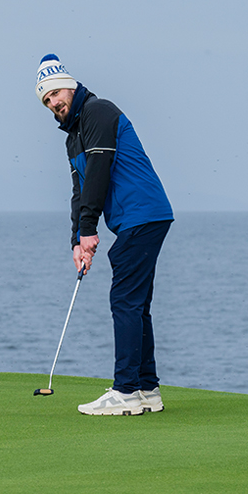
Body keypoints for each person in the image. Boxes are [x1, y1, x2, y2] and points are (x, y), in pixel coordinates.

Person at [38, 54, 176, 415]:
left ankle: (126, 390)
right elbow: (80, 191)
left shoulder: (99, 111)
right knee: (136, 303)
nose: (54, 103)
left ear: (70, 85)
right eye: (46, 100)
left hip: (142, 212)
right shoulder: (72, 138)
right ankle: (147, 389)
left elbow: (99, 169)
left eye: (55, 93)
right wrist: (76, 240)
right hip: (137, 218)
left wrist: (89, 230)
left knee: (125, 301)